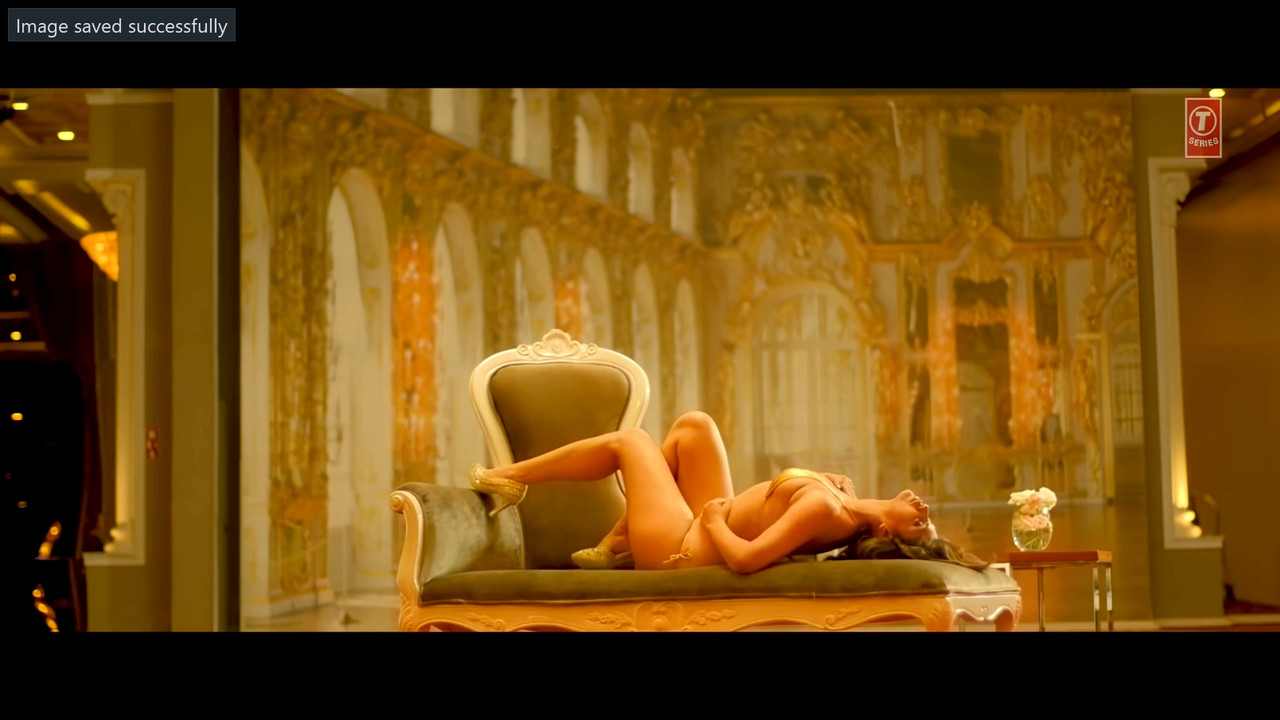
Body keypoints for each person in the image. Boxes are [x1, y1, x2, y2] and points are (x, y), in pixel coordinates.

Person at [470, 411, 988, 574]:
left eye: (919, 523)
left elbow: (745, 560)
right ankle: (618, 539)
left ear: (886, 532)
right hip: (705, 523)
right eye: (925, 515)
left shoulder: (824, 508)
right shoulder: (840, 496)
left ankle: (510, 477)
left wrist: (715, 522)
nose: (923, 508)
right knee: (695, 427)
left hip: (683, 547)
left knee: (631, 442)